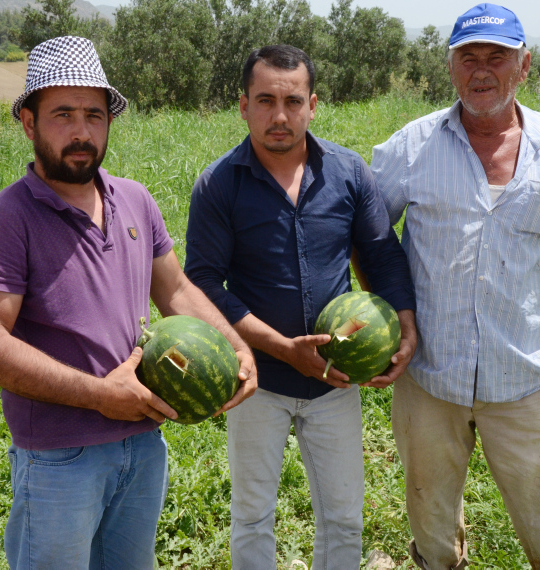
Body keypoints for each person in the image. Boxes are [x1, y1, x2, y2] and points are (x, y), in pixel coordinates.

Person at [0, 36, 256, 568]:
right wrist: (98, 395)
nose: (81, 131)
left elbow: (177, 290)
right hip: (59, 458)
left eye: (94, 115)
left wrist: (235, 347)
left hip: (142, 445)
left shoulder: (136, 199)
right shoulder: (2, 224)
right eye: (62, 114)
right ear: (28, 122)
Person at [370, 4, 540, 569]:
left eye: (497, 57)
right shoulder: (411, 146)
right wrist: (392, 316)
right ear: (451, 66)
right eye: (468, 57)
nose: (481, 70)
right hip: (430, 376)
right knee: (431, 530)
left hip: (525, 376)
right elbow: (371, 233)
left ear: (524, 65)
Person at [184, 45, 416, 569]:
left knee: (343, 516)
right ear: (243, 105)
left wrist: (406, 325)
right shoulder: (219, 184)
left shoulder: (349, 173)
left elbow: (381, 254)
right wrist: (282, 349)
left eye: (293, 101)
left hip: (335, 381)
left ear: (313, 105)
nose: (280, 116)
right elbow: (201, 281)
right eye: (265, 100)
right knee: (251, 515)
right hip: (256, 381)